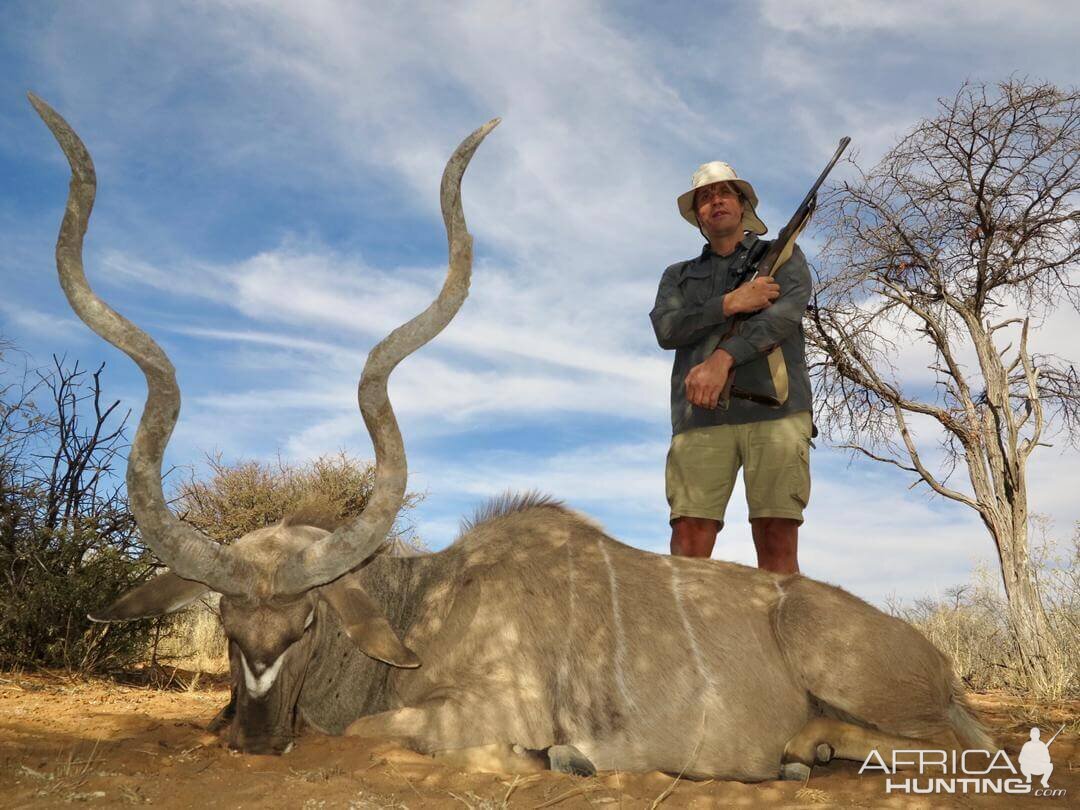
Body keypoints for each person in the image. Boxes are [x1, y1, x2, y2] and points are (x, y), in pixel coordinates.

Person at [650, 161, 813, 574]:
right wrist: (729, 303)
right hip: (700, 418)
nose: (715, 201)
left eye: (724, 193)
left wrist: (723, 359)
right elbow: (667, 328)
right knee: (688, 543)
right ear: (697, 216)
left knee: (777, 542)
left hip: (776, 412)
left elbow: (782, 317)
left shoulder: (783, 257)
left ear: (743, 206)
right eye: (704, 197)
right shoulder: (678, 276)